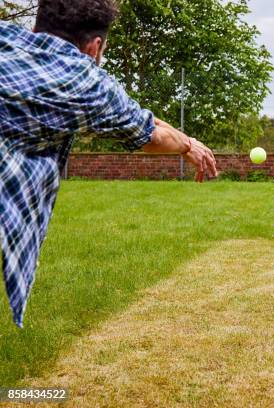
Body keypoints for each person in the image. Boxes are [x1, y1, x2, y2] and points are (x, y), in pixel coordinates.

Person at [0, 0, 217, 327]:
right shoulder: (83, 80)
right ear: (95, 47)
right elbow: (149, 135)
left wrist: (187, 140)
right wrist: (188, 146)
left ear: (36, 26)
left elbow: (134, 115)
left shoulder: (7, 37)